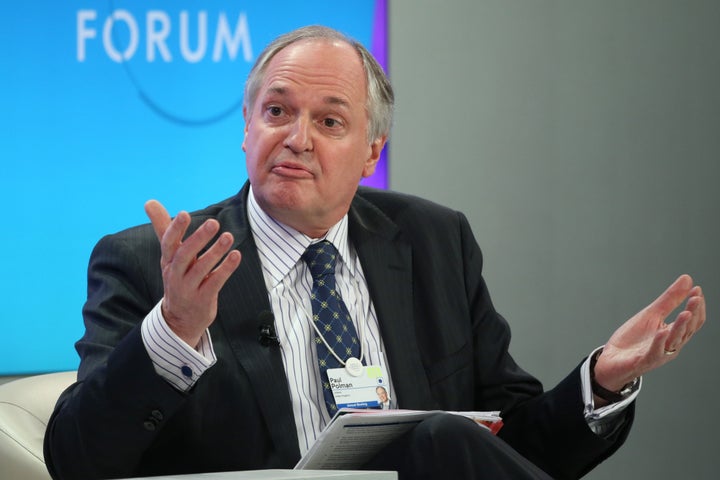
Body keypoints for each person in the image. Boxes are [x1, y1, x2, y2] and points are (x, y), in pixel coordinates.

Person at [44, 25, 706, 480]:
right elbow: (75, 461)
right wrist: (177, 329)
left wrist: (603, 381)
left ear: (370, 153)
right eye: (277, 112)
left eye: (329, 121)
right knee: (441, 437)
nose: (297, 138)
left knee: (445, 442)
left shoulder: (433, 242)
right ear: (246, 130)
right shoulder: (155, 263)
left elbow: (518, 449)